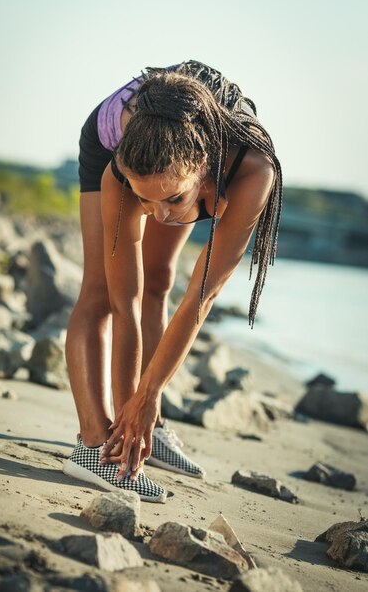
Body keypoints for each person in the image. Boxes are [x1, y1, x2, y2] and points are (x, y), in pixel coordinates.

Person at [62, 60, 282, 503]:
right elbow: (127, 305)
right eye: (147, 202)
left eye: (173, 201)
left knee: (162, 280)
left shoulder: (254, 172)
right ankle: (95, 446)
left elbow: (200, 299)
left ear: (202, 168)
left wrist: (151, 396)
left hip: (184, 144)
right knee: (103, 292)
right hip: (116, 142)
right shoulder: (121, 173)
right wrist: (129, 416)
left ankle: (150, 429)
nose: (160, 215)